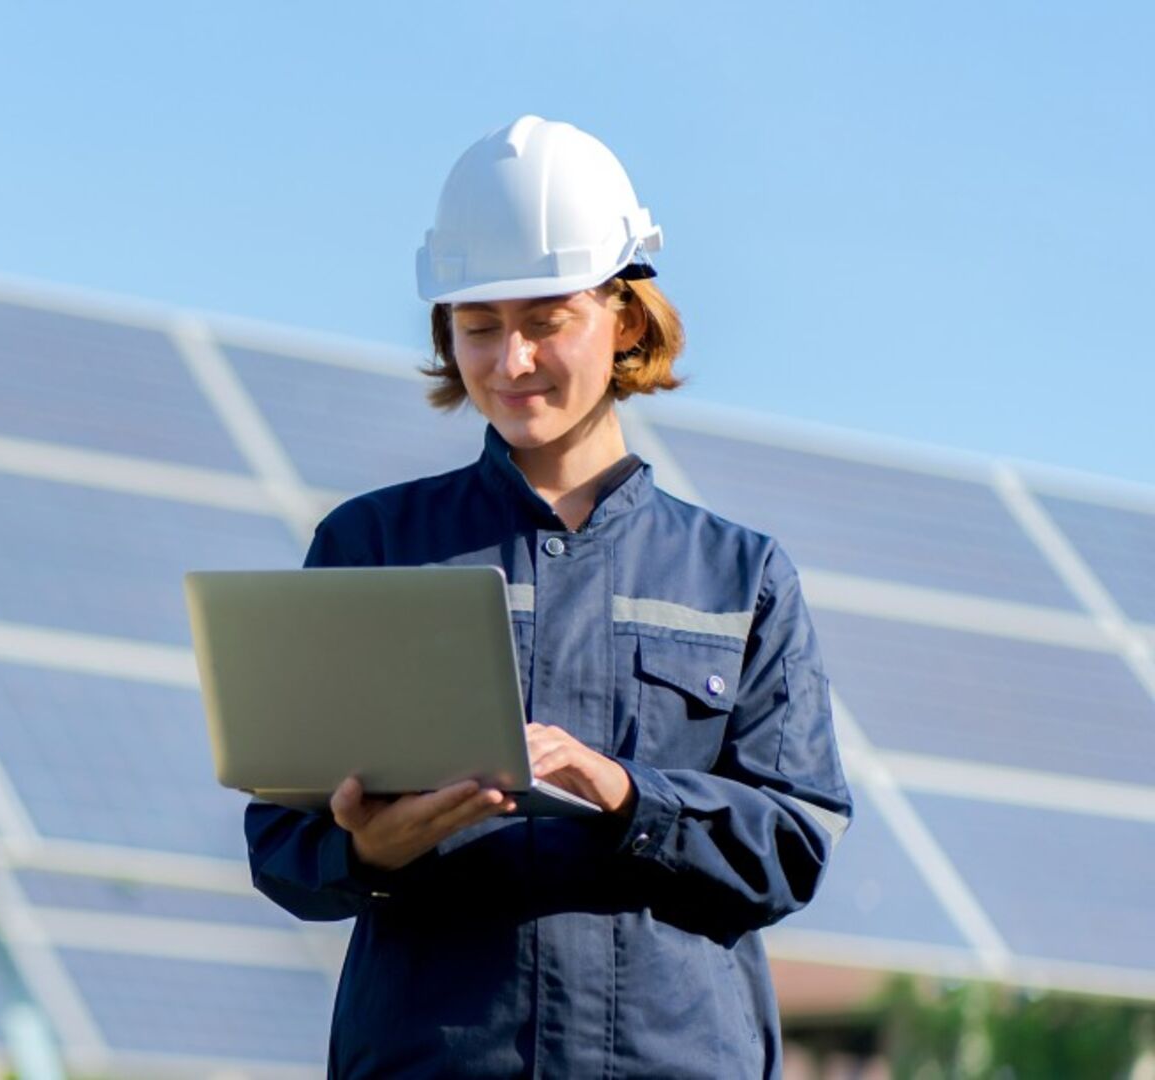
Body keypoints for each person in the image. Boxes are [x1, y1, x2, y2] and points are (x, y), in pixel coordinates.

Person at [245, 115, 853, 1079]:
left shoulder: (740, 578)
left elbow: (793, 843)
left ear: (625, 317)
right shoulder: (371, 549)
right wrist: (369, 852)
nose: (511, 361)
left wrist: (623, 793)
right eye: (479, 328)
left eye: (546, 321)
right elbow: (282, 840)